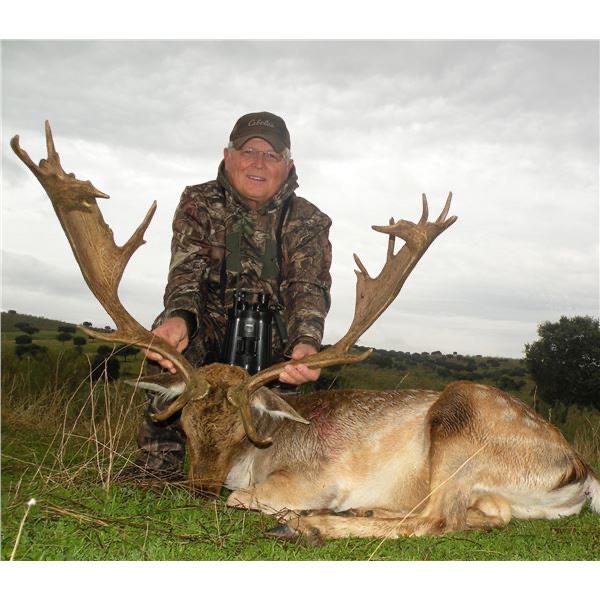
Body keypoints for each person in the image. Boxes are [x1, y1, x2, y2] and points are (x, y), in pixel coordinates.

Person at [131, 111, 332, 479]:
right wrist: (179, 318)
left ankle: (263, 469)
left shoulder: (308, 220)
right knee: (166, 343)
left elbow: (308, 287)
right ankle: (158, 464)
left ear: (288, 166)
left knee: (279, 432)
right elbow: (187, 275)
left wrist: (306, 342)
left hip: (273, 347)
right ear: (228, 156)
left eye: (272, 155)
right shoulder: (199, 202)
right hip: (207, 333)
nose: (259, 163)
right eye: (249, 151)